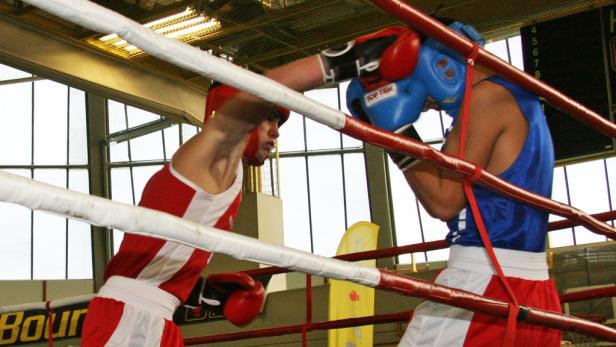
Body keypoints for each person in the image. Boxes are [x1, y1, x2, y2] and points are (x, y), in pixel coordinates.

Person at [80, 57, 327, 346]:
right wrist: (339, 61)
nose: (276, 131)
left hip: (159, 317)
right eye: (269, 117)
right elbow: (247, 102)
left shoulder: (231, 177)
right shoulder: (213, 157)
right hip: (126, 316)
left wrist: (201, 292)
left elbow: (159, 253)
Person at [345, 21, 562, 346]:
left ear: (437, 64)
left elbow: (444, 201)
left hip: (487, 283)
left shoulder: (485, 99)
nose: (426, 103)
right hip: (535, 289)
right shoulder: (520, 98)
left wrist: (396, 135)